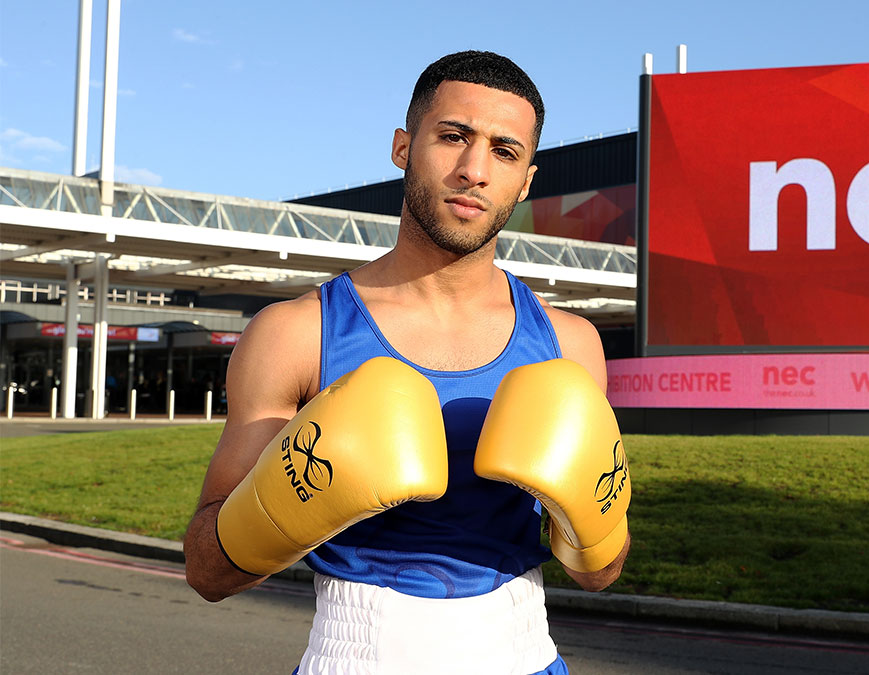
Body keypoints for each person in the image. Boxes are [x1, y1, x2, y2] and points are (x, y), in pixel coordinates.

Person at [183, 50, 631, 674]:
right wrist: (288, 506)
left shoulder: (572, 344)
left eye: (503, 151)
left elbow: (602, 572)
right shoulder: (297, 333)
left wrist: (591, 522)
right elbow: (206, 571)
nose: (474, 170)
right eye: (453, 137)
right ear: (402, 147)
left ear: (526, 179)